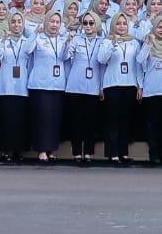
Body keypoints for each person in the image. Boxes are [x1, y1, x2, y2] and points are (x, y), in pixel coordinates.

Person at [97, 14, 141, 163]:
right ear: (113, 25)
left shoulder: (134, 42)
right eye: (118, 24)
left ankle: (123, 152)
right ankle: (113, 152)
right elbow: (101, 59)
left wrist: (139, 85)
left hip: (129, 84)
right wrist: (112, 44)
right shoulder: (107, 41)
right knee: (113, 120)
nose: (121, 26)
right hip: (112, 84)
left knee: (125, 120)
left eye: (124, 24)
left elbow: (138, 64)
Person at [26, 12, 68, 162]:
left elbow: (64, 57)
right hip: (40, 84)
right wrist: (34, 35)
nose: (54, 25)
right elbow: (27, 50)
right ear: (46, 23)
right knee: (42, 119)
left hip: (57, 85)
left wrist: (68, 43)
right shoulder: (38, 37)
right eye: (52, 21)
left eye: (57, 22)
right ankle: (41, 149)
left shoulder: (62, 39)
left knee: (54, 119)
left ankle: (51, 149)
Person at [136, 16, 162, 165]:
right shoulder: (148, 44)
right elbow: (140, 61)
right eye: (159, 27)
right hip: (152, 91)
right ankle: (153, 153)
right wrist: (148, 44)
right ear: (154, 28)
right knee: (152, 125)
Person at [0, 11, 31, 161]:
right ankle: (5, 149)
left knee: (19, 120)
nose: (16, 25)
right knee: (6, 119)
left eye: (19, 22)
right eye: (13, 22)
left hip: (21, 86)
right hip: (5, 85)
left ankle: (18, 150)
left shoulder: (27, 41)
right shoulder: (4, 41)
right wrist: (3, 40)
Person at [64, 13, 104, 162]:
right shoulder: (76, 39)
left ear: (97, 24)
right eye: (85, 23)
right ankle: (76, 152)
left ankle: (88, 152)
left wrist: (101, 87)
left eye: (91, 23)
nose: (88, 26)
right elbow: (65, 57)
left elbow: (102, 66)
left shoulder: (102, 41)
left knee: (90, 121)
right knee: (76, 121)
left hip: (93, 85)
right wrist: (68, 42)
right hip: (75, 85)